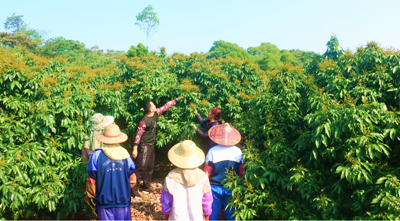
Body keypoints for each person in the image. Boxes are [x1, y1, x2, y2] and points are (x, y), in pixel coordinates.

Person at [132, 96, 184, 198]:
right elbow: (138, 135)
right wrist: (135, 148)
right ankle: (134, 190)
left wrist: (176, 100)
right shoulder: (144, 121)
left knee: (150, 167)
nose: (156, 106)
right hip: (144, 146)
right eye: (154, 105)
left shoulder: (155, 114)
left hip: (151, 146)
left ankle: (146, 186)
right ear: (150, 109)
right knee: (141, 168)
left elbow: (165, 107)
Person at [85, 124, 136, 221]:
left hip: (104, 202)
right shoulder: (125, 154)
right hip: (122, 200)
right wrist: (127, 190)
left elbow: (91, 180)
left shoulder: (97, 155)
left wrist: (90, 195)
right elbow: (132, 178)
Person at [160, 140, 213, 221]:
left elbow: (166, 201)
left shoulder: (171, 177)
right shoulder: (202, 177)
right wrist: (207, 215)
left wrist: (166, 214)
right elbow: (207, 200)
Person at [203, 123, 244, 221]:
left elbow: (206, 173)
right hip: (232, 187)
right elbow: (241, 171)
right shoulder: (238, 152)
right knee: (232, 214)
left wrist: (205, 188)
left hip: (214, 187)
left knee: (213, 214)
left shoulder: (212, 151)